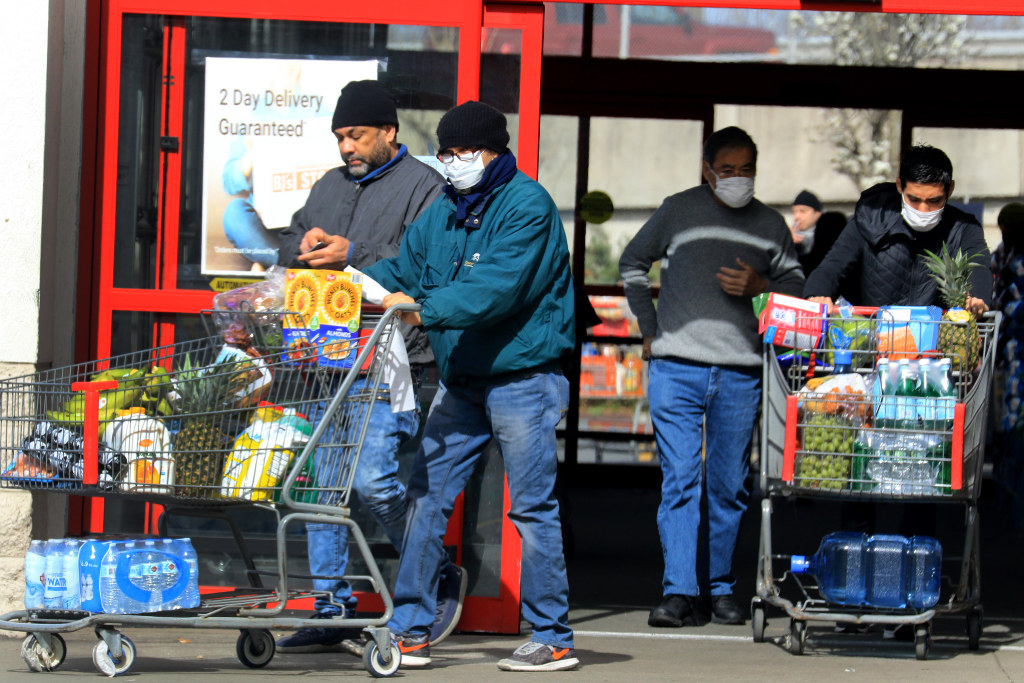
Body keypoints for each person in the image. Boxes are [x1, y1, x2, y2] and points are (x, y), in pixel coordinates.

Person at [363, 100, 579, 672]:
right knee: (426, 497)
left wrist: (419, 310)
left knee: (531, 509)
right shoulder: (443, 211)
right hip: (463, 384)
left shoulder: (527, 206)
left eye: (464, 153)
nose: (454, 162)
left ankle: (552, 635)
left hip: (523, 381)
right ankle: (410, 627)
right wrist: (343, 281)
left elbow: (494, 290)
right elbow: (400, 271)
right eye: (447, 153)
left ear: (495, 151)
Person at [274, 79, 466, 654]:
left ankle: (430, 566)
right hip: (322, 359)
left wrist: (352, 253)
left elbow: (434, 269)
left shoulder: (426, 189)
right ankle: (332, 609)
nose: (345, 148)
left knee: (372, 480)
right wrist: (301, 243)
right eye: (339, 137)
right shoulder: (327, 187)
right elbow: (286, 249)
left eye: (356, 135)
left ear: (389, 131)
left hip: (394, 361)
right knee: (319, 491)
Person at [618, 126, 805, 628]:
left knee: (727, 484)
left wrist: (762, 285)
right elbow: (633, 262)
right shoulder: (677, 209)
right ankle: (680, 591)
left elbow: (796, 286)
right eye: (728, 170)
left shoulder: (770, 224)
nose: (737, 179)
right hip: (675, 368)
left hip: (740, 373)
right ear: (707, 170)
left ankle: (721, 589)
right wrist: (649, 327)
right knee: (679, 480)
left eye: (747, 170)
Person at [804, 145, 990, 315]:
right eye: (914, 199)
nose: (923, 210)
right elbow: (833, 266)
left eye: (934, 201)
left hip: (936, 342)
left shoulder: (964, 229)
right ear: (900, 186)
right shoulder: (870, 219)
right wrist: (818, 293)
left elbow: (979, 267)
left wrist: (978, 298)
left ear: (950, 191)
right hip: (873, 340)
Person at [790, 189, 823, 257]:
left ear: (817, 214)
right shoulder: (790, 237)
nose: (796, 216)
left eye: (802, 211)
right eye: (794, 212)